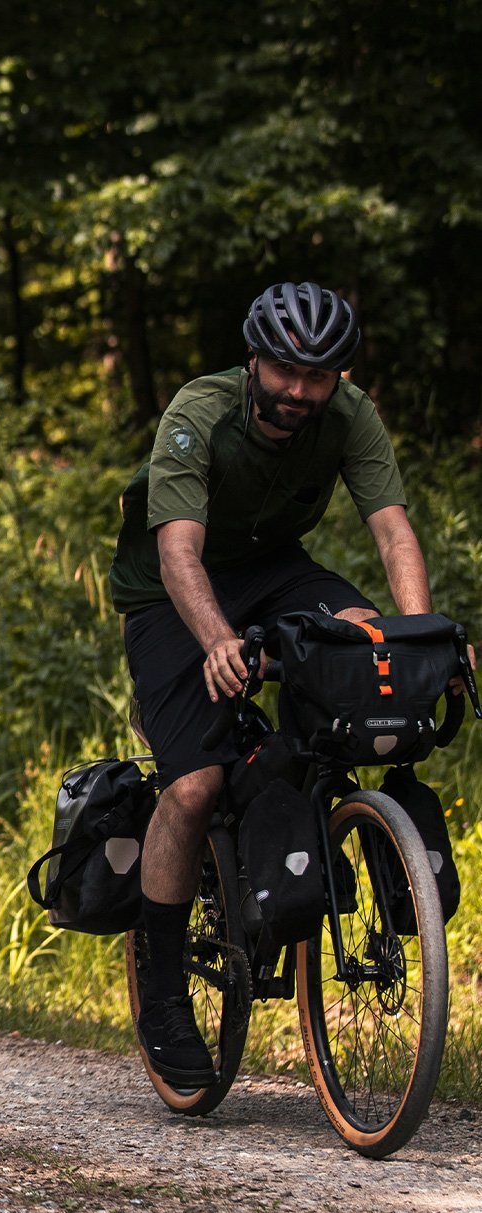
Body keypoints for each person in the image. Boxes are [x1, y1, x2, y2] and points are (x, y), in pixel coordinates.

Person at [107, 280, 439, 1090]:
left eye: (316, 377)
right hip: (169, 588)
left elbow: (392, 528)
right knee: (193, 786)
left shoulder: (350, 415)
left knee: (365, 641)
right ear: (254, 361)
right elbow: (180, 551)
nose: (299, 390)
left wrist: (418, 636)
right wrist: (217, 639)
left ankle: (297, 799)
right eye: (285, 370)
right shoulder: (199, 412)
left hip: (276, 567)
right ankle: (160, 986)